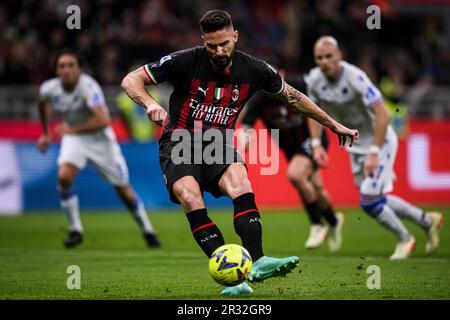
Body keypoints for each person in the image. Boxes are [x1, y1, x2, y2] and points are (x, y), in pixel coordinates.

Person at [121, 10, 358, 296]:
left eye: (224, 44)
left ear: (235, 36)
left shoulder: (254, 69)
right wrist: (148, 103)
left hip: (218, 141)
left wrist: (333, 125)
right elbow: (131, 80)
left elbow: (294, 97)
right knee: (189, 196)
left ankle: (258, 261)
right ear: (203, 41)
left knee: (240, 183)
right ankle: (234, 279)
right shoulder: (185, 60)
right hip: (180, 141)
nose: (219, 51)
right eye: (211, 46)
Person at [306, 36, 443, 260]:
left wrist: (374, 152)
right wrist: (315, 143)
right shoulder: (314, 80)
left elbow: (383, 114)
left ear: (339, 55)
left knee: (369, 201)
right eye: (319, 58)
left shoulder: (355, 77)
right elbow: (313, 113)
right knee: (375, 198)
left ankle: (404, 238)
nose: (324, 62)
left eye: (329, 56)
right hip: (355, 145)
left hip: (380, 142)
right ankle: (426, 220)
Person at [37, 49, 162, 249]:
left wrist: (70, 129)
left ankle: (148, 230)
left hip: (101, 142)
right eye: (62, 66)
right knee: (64, 177)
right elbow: (42, 103)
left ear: (79, 69)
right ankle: (75, 229)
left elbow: (103, 119)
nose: (66, 70)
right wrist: (45, 133)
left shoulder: (88, 86)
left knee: (125, 192)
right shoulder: (49, 88)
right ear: (56, 71)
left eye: (71, 65)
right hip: (75, 140)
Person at [239, 59, 344, 252]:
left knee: (296, 175)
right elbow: (247, 125)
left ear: (283, 73)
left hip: (312, 140)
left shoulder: (299, 85)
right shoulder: (260, 98)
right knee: (317, 188)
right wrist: (245, 138)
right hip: (289, 147)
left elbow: (316, 112)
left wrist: (315, 143)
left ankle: (317, 225)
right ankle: (334, 220)